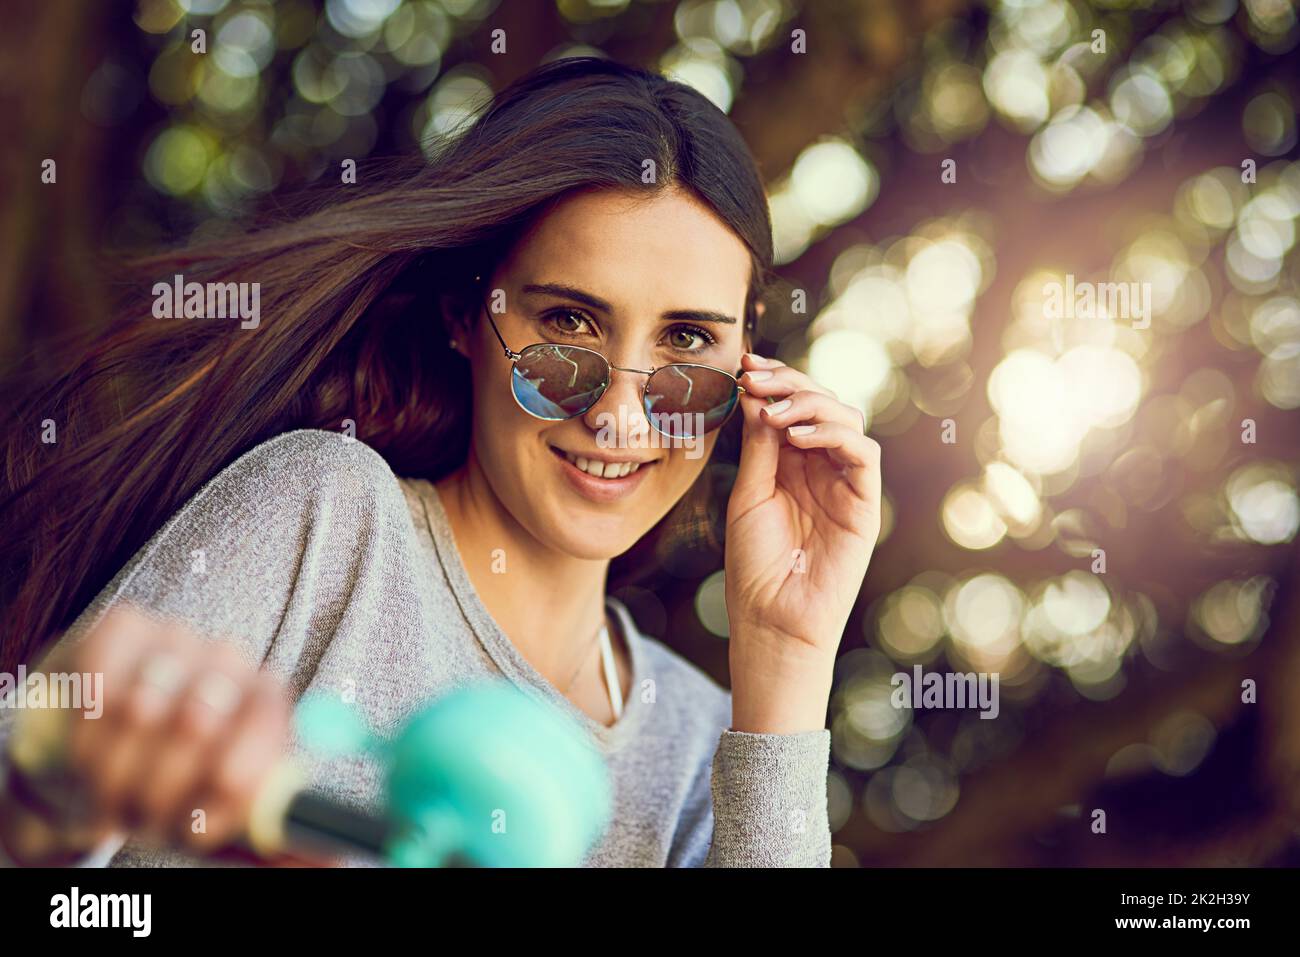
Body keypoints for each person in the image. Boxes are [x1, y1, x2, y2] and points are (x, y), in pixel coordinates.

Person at [0, 56, 881, 867]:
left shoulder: (701, 742)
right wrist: (55, 798)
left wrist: (789, 661)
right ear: (466, 317)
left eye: (688, 340)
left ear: (748, 362)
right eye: (567, 323)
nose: (617, 414)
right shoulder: (329, 514)